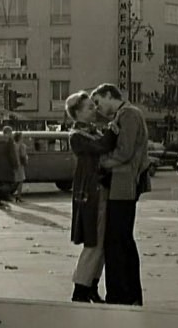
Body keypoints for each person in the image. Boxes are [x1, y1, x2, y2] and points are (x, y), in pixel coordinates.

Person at [91, 83, 147, 306]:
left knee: (117, 241)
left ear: (108, 95)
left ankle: (122, 295)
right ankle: (128, 294)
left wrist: (102, 163)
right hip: (121, 183)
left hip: (123, 184)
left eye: (98, 102)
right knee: (121, 241)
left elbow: (125, 151)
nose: (97, 108)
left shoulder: (128, 114)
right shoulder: (125, 115)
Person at [66, 91, 117, 303]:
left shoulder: (93, 132)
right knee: (93, 242)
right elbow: (103, 147)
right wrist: (113, 132)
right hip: (90, 193)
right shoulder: (77, 136)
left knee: (102, 243)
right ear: (77, 112)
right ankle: (80, 290)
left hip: (99, 190)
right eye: (89, 107)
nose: (94, 110)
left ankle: (91, 286)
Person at [0, 126, 19, 209]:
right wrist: (15, 164)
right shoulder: (9, 141)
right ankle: (4, 200)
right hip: (6, 166)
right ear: (8, 132)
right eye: (11, 132)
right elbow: (12, 154)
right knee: (7, 184)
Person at [12, 132, 28, 203]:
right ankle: (18, 196)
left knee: (16, 180)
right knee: (20, 181)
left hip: (13, 164)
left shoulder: (13, 145)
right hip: (19, 165)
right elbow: (23, 155)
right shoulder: (22, 146)